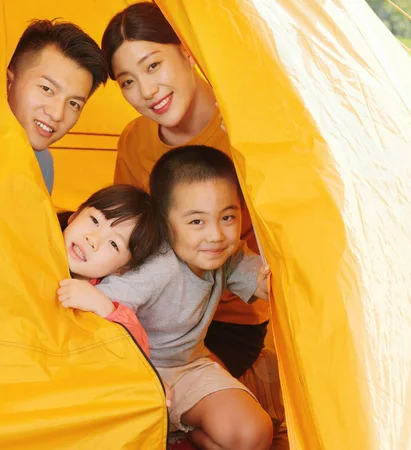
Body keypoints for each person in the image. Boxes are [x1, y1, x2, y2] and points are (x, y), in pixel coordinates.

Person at [101, 5, 288, 446]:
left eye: (153, 65)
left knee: (231, 420)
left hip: (225, 321)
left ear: (185, 51)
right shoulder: (135, 139)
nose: (146, 90)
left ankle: (237, 394)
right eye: (128, 81)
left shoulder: (246, 125)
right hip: (150, 315)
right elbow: (126, 240)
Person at [59, 146, 273, 449]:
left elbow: (270, 287)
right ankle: (172, 426)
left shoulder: (229, 254)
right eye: (196, 221)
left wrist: (278, 278)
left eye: (227, 217)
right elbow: (97, 319)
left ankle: (181, 428)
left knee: (253, 434)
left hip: (189, 368)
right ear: (164, 223)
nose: (215, 234)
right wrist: (145, 382)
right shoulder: (153, 267)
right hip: (133, 370)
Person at [57, 184, 163, 359]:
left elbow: (137, 354)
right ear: (76, 214)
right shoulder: (37, 234)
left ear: (122, 269)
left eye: (114, 244)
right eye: (95, 221)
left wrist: (103, 306)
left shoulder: (108, 296)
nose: (93, 239)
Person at [7, 20, 108, 193]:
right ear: (8, 81)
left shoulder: (42, 163)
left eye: (74, 104)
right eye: (47, 89)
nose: (57, 114)